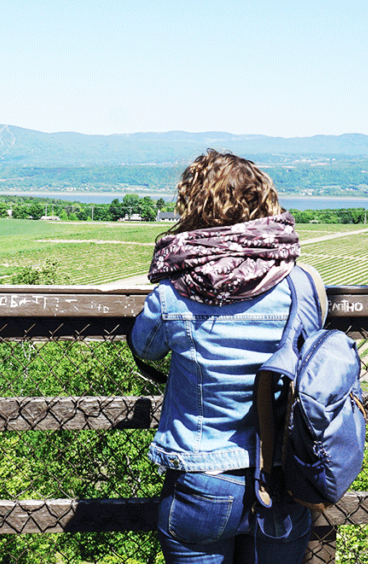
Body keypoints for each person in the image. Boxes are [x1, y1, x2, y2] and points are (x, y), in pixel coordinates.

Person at [129, 148, 314, 564]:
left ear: (194, 206)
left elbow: (145, 347)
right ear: (265, 203)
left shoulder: (174, 291)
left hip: (201, 476)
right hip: (284, 476)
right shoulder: (302, 284)